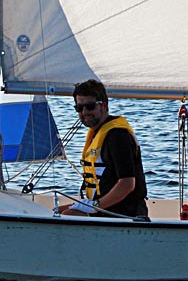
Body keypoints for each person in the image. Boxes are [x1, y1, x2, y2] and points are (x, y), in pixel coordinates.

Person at [61, 79, 148, 218]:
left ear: (104, 106)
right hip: (104, 210)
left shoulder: (117, 136)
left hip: (124, 214)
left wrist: (94, 206)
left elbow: (127, 184)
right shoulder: (98, 133)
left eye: (90, 106)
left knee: (67, 215)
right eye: (79, 108)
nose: (84, 112)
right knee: (54, 211)